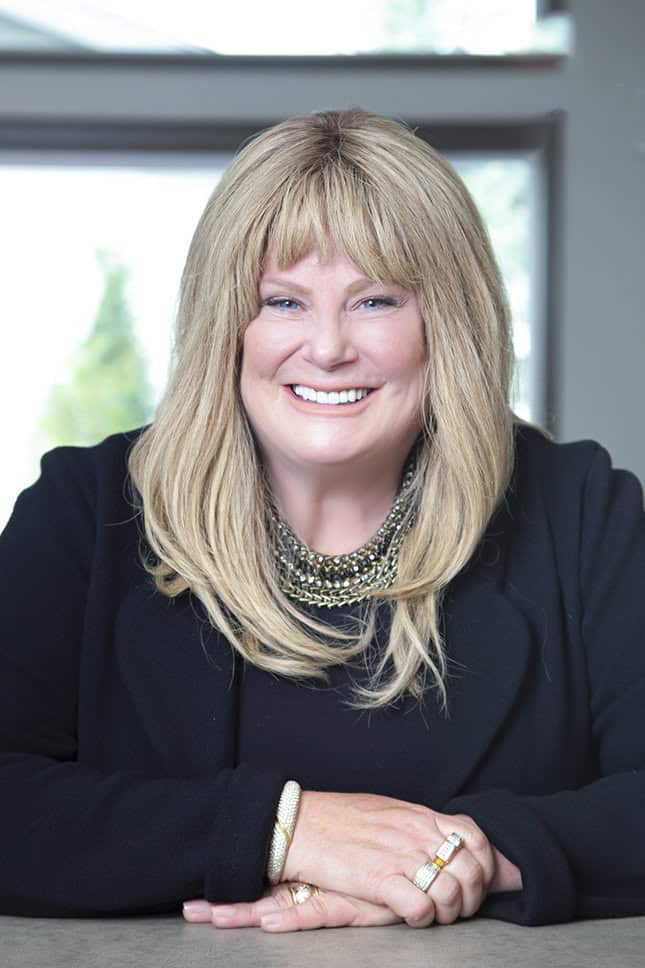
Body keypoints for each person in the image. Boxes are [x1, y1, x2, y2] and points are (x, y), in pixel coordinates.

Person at [1, 108, 644, 933]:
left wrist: (464, 859)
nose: (329, 347)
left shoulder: (581, 509)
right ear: (225, 325)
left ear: (446, 320)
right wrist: (285, 830)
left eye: (375, 300)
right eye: (283, 301)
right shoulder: (86, 513)